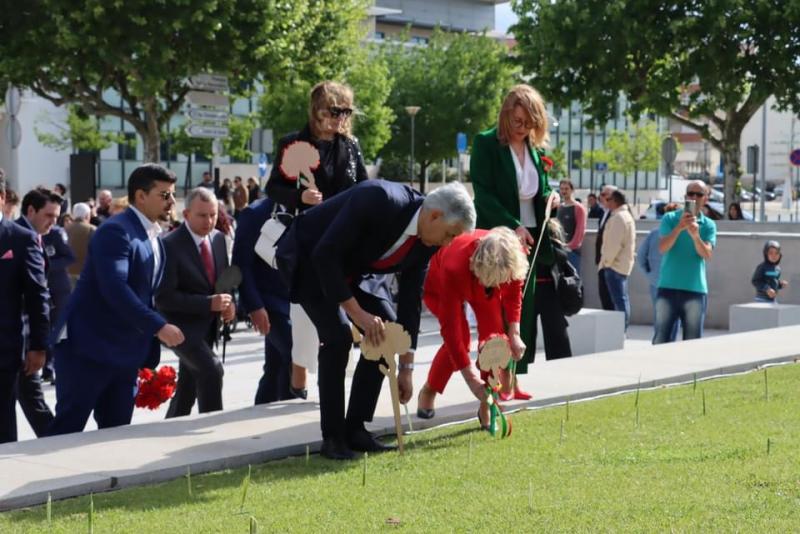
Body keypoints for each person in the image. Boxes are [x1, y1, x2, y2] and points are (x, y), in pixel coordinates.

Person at [275, 180, 475, 460]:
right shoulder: (379, 199)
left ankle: (356, 428)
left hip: (353, 268)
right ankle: (333, 438)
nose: (449, 243)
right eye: (450, 234)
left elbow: (410, 301)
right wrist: (358, 314)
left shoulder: (430, 239)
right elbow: (325, 254)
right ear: (434, 216)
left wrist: (406, 366)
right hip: (310, 257)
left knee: (388, 333)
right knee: (338, 337)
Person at [48, 164, 185, 436]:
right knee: (66, 431)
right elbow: (115, 289)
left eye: (172, 194)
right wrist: (158, 326)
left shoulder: (155, 236)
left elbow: (149, 295)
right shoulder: (115, 231)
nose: (172, 202)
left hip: (124, 354)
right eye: (165, 194)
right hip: (87, 350)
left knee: (116, 435)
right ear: (141, 196)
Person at [266, 80, 370, 401]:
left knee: (339, 318)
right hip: (309, 241)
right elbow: (273, 188)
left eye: (346, 111)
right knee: (305, 318)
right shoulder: (292, 143)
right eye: (334, 110)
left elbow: (365, 186)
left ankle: (336, 387)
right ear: (317, 111)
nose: (341, 117)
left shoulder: (350, 146)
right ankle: (298, 382)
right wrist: (300, 196)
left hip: (344, 242)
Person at [471, 84, 556, 397]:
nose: (524, 129)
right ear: (506, 116)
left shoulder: (535, 150)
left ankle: (515, 379)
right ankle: (494, 377)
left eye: (531, 123)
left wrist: (550, 197)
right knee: (497, 312)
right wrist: (513, 225)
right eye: (519, 122)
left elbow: (537, 191)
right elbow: (483, 194)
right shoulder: (485, 143)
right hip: (498, 239)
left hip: (530, 239)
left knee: (523, 310)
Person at [416, 227, 527, 426]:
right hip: (440, 284)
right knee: (462, 339)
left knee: (495, 341)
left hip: (486, 278)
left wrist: (515, 332)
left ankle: (487, 402)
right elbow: (450, 330)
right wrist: (472, 381)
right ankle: (430, 389)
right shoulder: (454, 267)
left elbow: (513, 293)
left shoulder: (511, 255)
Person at [155, 188, 235, 417]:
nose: (208, 221)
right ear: (186, 214)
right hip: (180, 328)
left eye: (213, 215)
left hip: (209, 327)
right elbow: (164, 298)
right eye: (202, 215)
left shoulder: (219, 239)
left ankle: (173, 424)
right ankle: (212, 432)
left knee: (188, 387)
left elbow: (220, 282)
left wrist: (228, 304)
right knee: (212, 371)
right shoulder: (170, 245)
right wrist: (208, 303)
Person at [0, 177, 50, 444]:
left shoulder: (20, 239)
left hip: (4, 350)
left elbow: (37, 295)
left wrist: (38, 346)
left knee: (2, 428)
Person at [232, 196, 295, 403]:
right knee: (294, 353)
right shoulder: (255, 213)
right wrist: (254, 305)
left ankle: (261, 412)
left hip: (296, 301)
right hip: (269, 302)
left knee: (275, 365)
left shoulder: (310, 207)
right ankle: (287, 411)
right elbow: (242, 264)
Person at [16, 188, 64, 431]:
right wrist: (38, 346)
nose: (53, 223)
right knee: (33, 398)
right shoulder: (18, 237)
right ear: (31, 210)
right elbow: (33, 296)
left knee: (31, 397)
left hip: (22, 337)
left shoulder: (33, 236)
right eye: (49, 216)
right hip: (17, 337)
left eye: (56, 218)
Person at [652, 180, 716, 344]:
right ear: (685, 197)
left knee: (693, 342)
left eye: (699, 194)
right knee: (661, 338)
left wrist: (696, 236)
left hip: (695, 290)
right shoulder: (670, 218)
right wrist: (679, 228)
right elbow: (663, 247)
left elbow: (707, 254)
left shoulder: (708, 225)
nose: (694, 198)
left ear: (705, 199)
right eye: (690, 194)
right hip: (667, 287)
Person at [599, 190, 636, 330]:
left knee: (619, 301)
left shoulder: (619, 218)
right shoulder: (624, 216)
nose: (606, 202)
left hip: (614, 266)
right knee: (621, 299)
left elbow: (614, 244)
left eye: (608, 199)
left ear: (614, 201)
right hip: (619, 265)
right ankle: (621, 330)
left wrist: (606, 263)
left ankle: (620, 330)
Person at [594, 185, 618, 311]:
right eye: (601, 194)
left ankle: (618, 328)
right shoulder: (604, 213)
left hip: (612, 264)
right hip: (602, 262)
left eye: (604, 195)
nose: (600, 197)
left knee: (613, 298)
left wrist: (608, 262)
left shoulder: (617, 215)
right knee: (604, 296)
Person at [556, 179, 587, 274]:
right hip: (559, 250)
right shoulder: (559, 207)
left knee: (573, 281)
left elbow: (580, 230)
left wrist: (570, 246)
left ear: (572, 190)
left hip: (572, 252)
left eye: (566, 189)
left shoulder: (579, 208)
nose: (564, 191)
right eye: (562, 189)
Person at [66, 202, 97, 283]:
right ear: (87, 215)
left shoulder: (66, 229)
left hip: (68, 271)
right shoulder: (92, 229)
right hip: (86, 272)